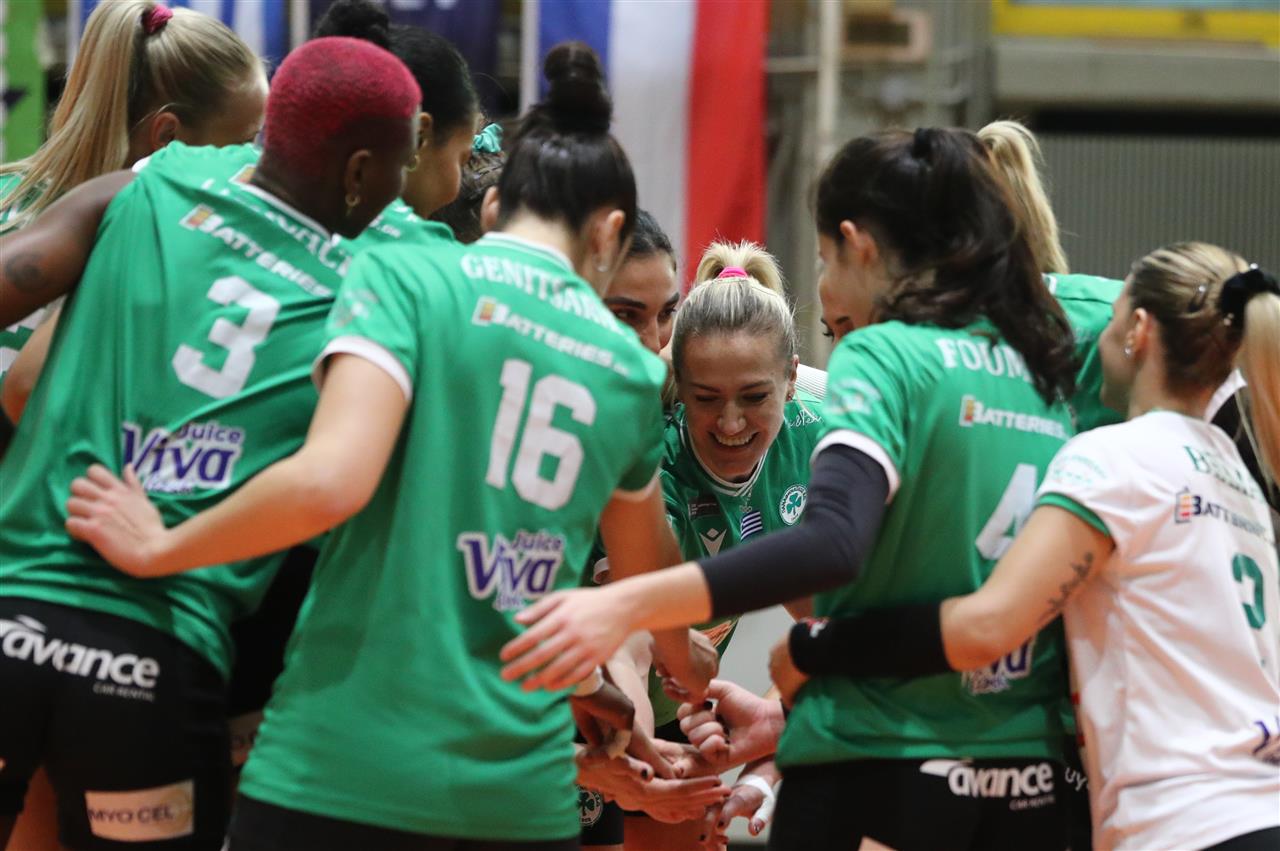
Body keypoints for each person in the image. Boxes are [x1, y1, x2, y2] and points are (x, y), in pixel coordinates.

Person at [65, 42, 706, 850]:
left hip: (336, 772)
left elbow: (329, 481)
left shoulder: (406, 276)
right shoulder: (628, 371)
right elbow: (647, 579)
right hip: (518, 798)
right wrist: (686, 669)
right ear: (611, 233)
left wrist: (162, 545)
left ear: (493, 208)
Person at [499, 126, 1082, 851]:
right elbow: (971, 608)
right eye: (707, 397)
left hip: (884, 744)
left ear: (854, 245)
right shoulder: (1047, 348)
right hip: (1027, 748)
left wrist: (634, 605)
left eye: (825, 262)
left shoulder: (878, 363)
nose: (731, 420)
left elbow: (833, 551)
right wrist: (776, 710)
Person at [0, 36, 420, 850]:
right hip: (150, 659)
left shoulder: (153, 181)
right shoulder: (382, 281)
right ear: (361, 170)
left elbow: (19, 377)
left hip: (9, 612)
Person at [774, 244, 1280, 851]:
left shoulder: (1114, 457)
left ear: (1139, 331)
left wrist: (818, 646)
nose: (1094, 336)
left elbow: (987, 627)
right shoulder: (1240, 479)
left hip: (1185, 820)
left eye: (1113, 316)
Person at [617, 241, 821, 851]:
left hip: (684, 721)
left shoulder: (823, 438)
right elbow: (628, 641)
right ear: (679, 386)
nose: (731, 423)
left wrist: (768, 761)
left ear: (791, 379)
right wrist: (637, 751)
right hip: (595, 704)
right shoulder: (650, 451)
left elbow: (842, 632)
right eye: (706, 399)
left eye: (754, 397)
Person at [0, 0, 266, 423]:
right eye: (245, 141)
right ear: (168, 138)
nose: (253, 163)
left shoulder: (7, 191)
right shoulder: (154, 249)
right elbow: (30, 392)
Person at [314, 0, 480, 248]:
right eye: (463, 160)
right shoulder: (433, 258)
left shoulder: (273, 205)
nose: (460, 182)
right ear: (418, 137)